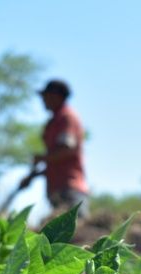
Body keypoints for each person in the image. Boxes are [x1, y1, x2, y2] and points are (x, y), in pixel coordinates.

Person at [18, 79, 89, 217]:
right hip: (57, 190)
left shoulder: (67, 118)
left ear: (55, 96)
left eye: (45, 96)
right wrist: (33, 176)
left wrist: (41, 158)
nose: (43, 100)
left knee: (77, 233)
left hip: (70, 189)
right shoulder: (53, 122)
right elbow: (55, 162)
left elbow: (67, 150)